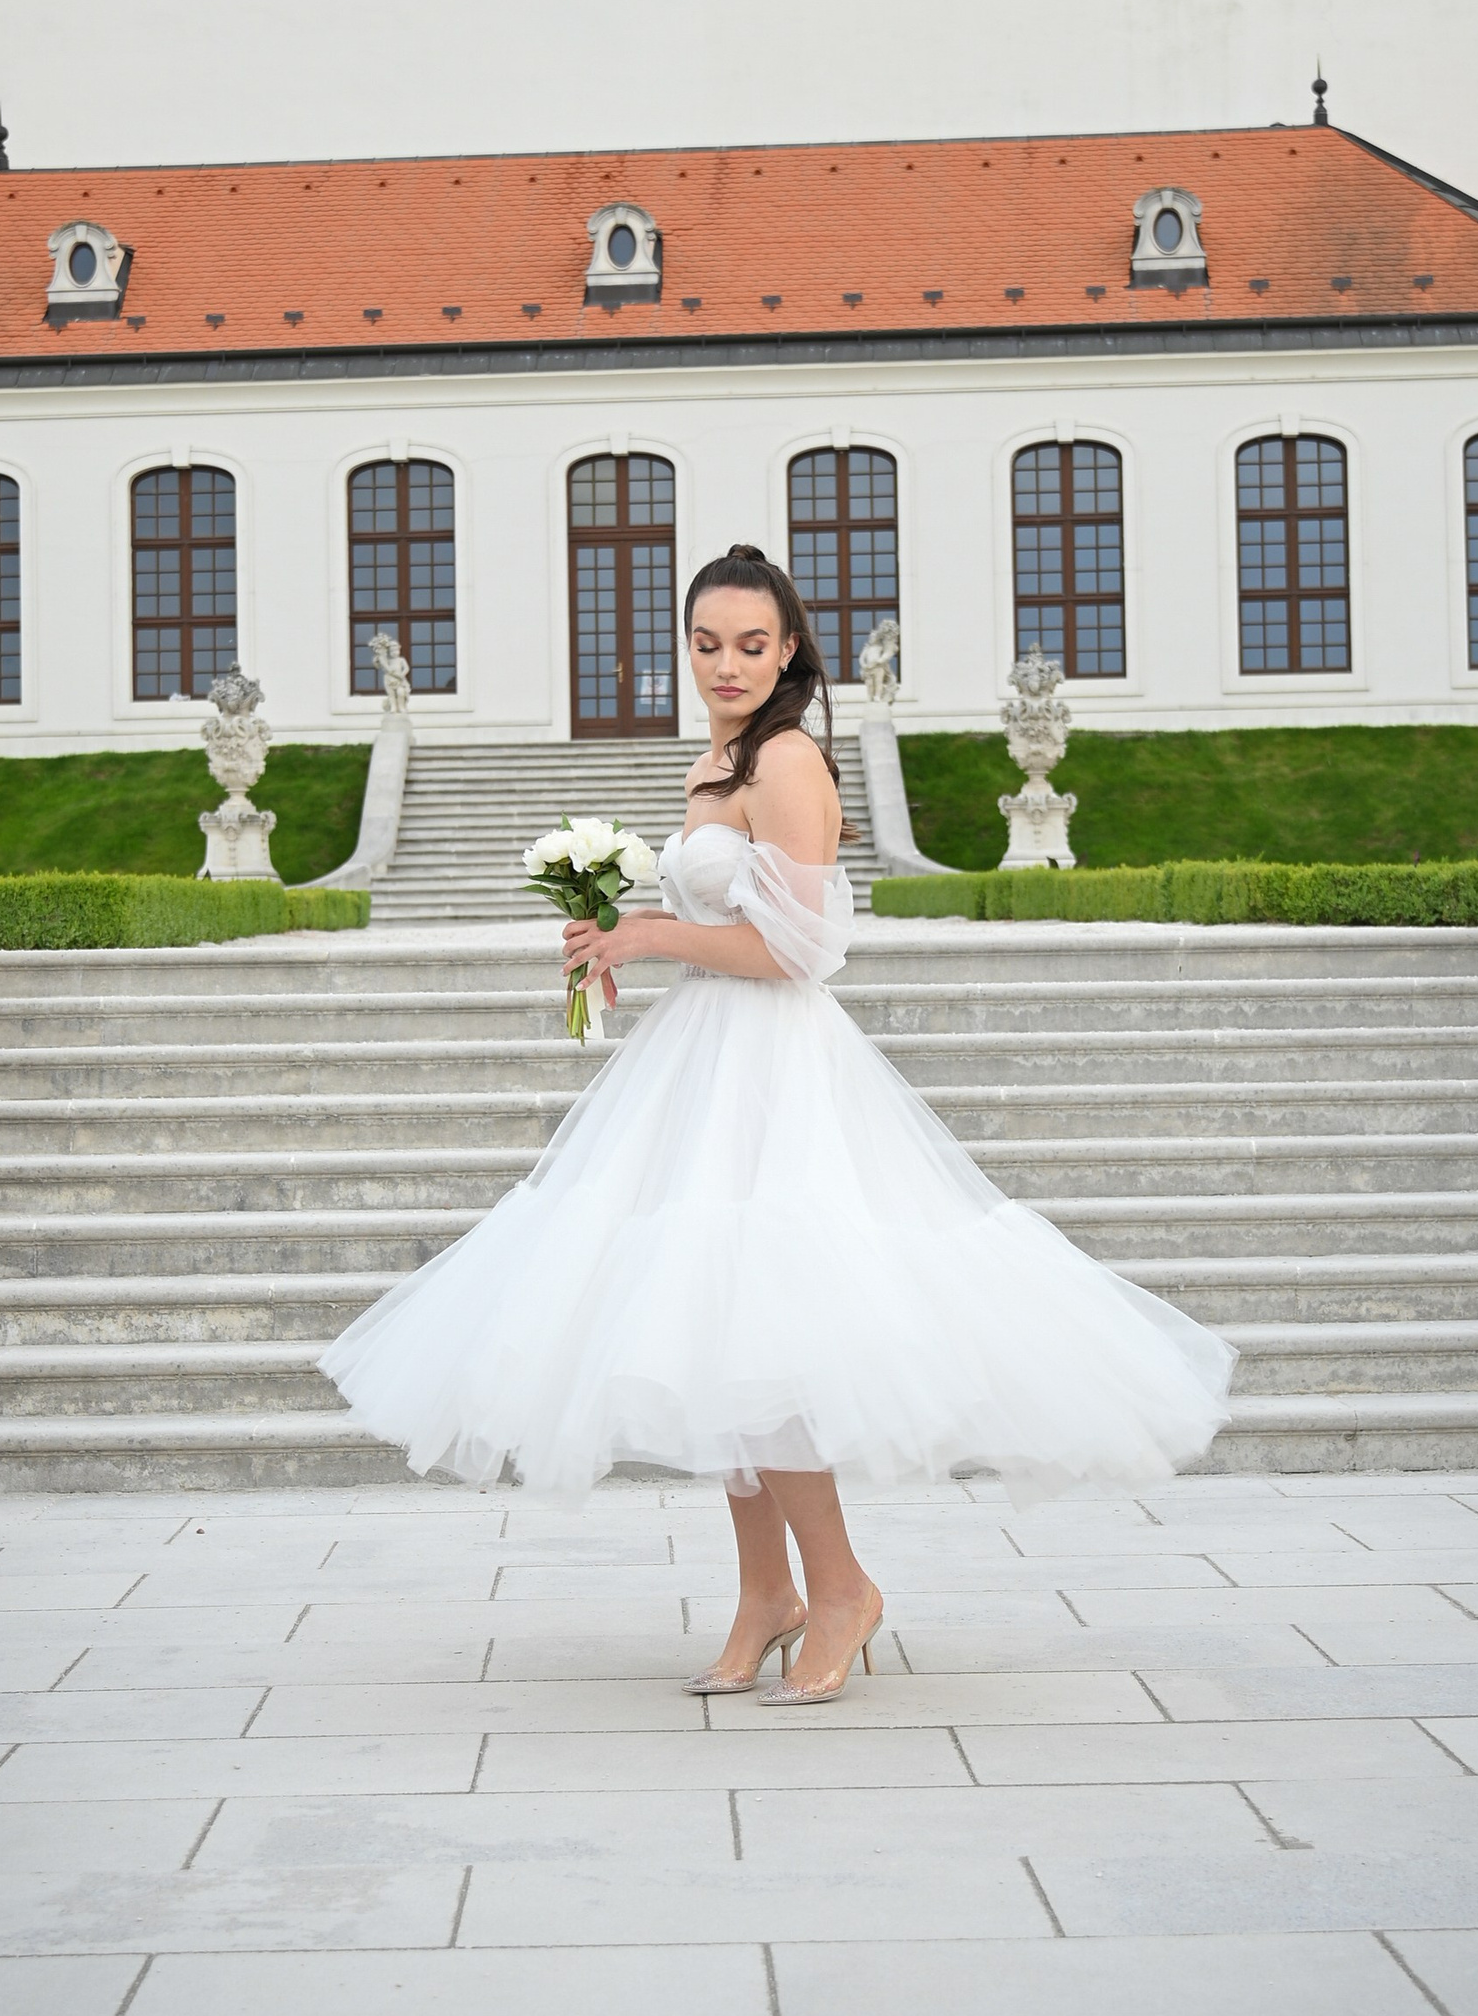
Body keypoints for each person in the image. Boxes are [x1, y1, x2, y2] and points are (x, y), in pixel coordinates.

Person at [326, 546, 1235, 1701]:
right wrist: (619, 940)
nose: (727, 663)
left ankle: (843, 1585)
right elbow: (728, 921)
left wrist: (653, 932)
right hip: (703, 1059)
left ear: (789, 648)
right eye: (706, 643)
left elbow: (802, 950)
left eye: (751, 643)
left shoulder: (789, 759)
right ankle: (767, 1592)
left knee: (772, 1332)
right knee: (720, 1332)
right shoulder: (717, 761)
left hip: (774, 1071)